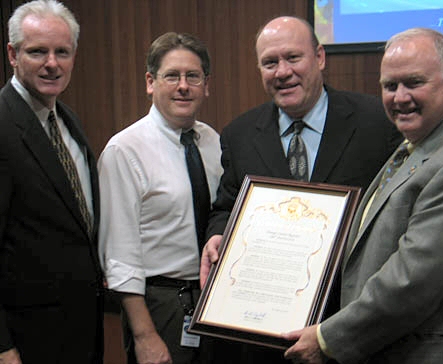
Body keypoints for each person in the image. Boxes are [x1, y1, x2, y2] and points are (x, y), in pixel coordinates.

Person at [200, 16, 402, 364]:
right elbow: (226, 206)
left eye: (293, 58)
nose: (282, 72)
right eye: (270, 62)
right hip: (265, 334)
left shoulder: (376, 122)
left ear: (320, 58)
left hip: (348, 327)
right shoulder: (239, 134)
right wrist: (218, 235)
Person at [283, 27, 443, 364]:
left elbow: (412, 281)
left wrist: (327, 338)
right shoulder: (418, 143)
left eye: (413, 83)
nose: (399, 97)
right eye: (390, 86)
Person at [98, 32, 222, 364]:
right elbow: (119, 255)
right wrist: (145, 335)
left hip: (213, 302)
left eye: (192, 76)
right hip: (159, 306)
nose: (183, 86)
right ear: (151, 82)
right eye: (172, 76)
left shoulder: (212, 141)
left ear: (206, 85)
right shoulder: (123, 151)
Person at [0, 1, 104, 363]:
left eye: (62, 51)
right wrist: (2, 348)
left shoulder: (68, 121)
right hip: (26, 341)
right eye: (37, 51)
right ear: (12, 54)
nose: (52, 63)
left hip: (80, 330)